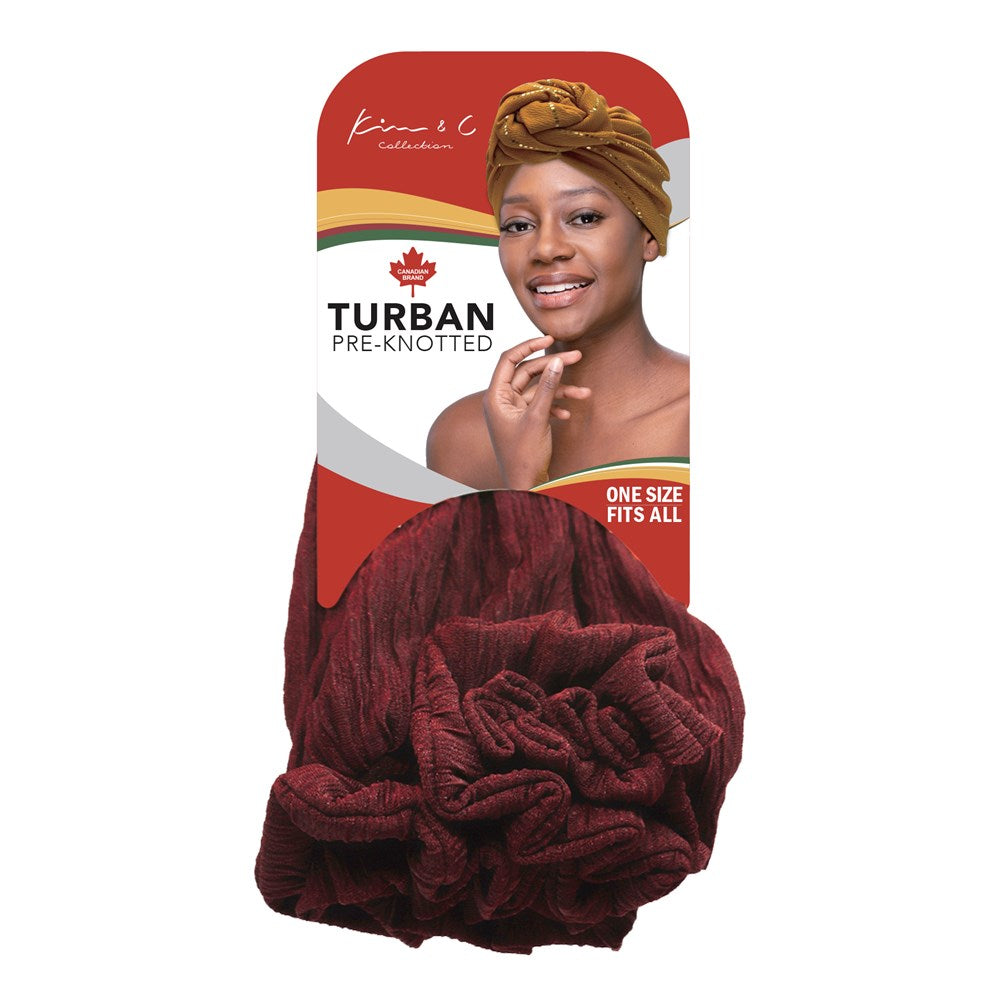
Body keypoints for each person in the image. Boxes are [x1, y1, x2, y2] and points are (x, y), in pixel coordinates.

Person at [427, 79, 689, 491]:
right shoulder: (464, 439)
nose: (546, 248)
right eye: (519, 225)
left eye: (584, 217)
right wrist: (522, 476)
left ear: (649, 237)